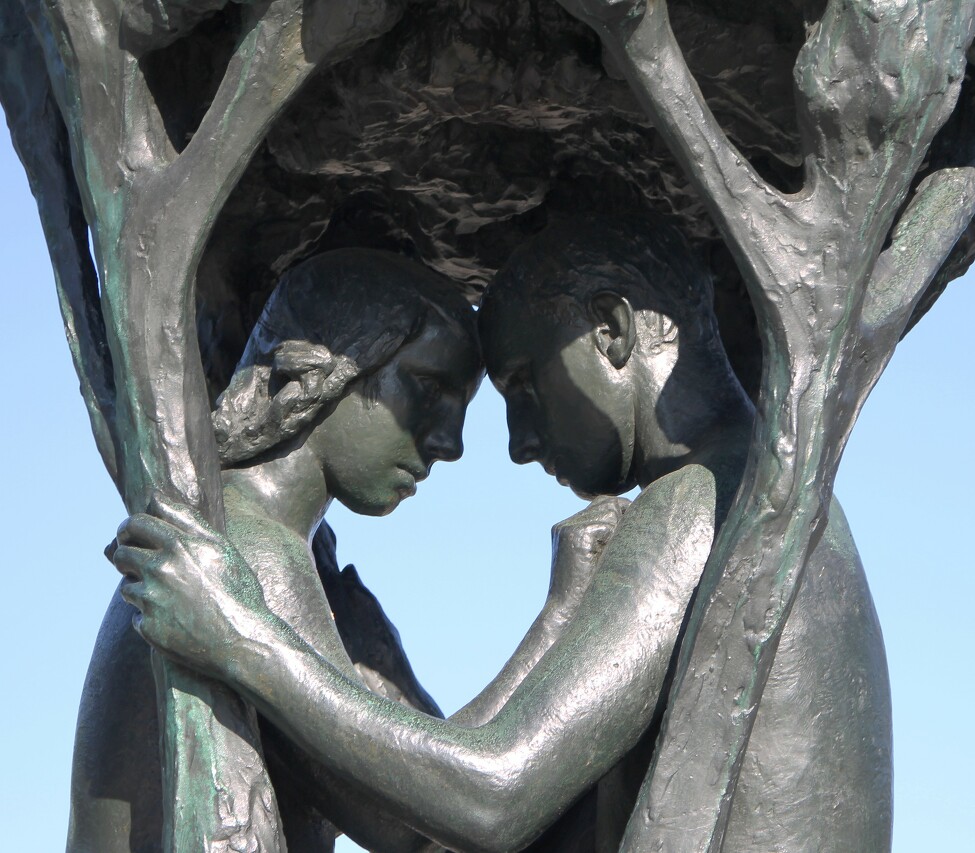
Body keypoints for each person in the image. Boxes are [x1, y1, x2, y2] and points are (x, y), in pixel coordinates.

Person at [115, 219, 893, 852]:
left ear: (612, 332)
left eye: (522, 382)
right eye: (430, 390)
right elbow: (458, 816)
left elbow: (489, 800)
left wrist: (240, 638)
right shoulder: (747, 498)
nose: (510, 443)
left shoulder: (699, 503)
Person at [68, 249, 485, 852]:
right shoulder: (248, 549)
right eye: (428, 387)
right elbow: (421, 827)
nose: (451, 442)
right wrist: (564, 618)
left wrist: (391, 676)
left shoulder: (246, 534)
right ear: (325, 371)